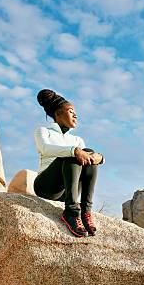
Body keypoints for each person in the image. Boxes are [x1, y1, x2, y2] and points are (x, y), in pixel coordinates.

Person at [33, 89, 104, 237]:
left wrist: (100, 158)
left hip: (68, 190)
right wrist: (73, 151)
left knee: (87, 151)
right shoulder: (43, 131)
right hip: (47, 187)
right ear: (58, 114)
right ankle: (71, 213)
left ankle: (85, 212)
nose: (75, 115)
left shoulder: (77, 140)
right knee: (73, 153)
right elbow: (45, 149)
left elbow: (86, 160)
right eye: (71, 111)